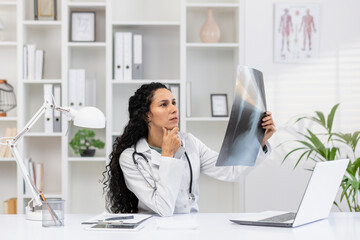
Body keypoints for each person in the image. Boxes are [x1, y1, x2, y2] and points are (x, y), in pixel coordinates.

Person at [103, 82, 276, 217]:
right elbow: (163, 209)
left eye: (174, 102)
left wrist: (258, 142)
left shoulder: (190, 142)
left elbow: (232, 172)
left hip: (191, 227)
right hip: (152, 230)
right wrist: (168, 155)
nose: (173, 109)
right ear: (147, 115)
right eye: (164, 104)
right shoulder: (131, 157)